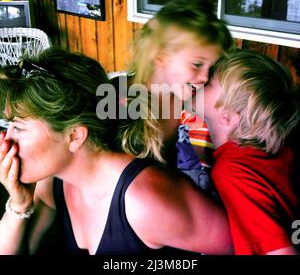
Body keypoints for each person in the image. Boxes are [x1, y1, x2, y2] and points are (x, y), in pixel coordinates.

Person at [0, 48, 233, 255]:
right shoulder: (54, 181)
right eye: (8, 125)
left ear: (74, 136)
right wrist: (18, 204)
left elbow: (241, 245)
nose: (5, 140)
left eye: (19, 127)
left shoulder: (143, 200)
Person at [198, 50, 300, 255]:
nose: (200, 80)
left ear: (228, 116)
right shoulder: (276, 150)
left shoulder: (233, 172)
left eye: (209, 83)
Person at [127, 0, 234, 187]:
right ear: (161, 56)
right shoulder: (118, 99)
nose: (204, 77)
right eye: (197, 64)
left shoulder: (194, 102)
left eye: (212, 67)